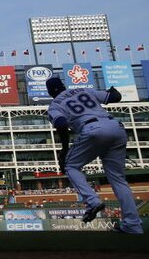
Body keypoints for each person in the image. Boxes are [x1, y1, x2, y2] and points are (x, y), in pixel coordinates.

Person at [45, 77, 143, 234]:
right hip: (115, 127)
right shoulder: (84, 90)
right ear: (64, 85)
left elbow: (62, 124)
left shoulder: (54, 105)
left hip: (91, 129)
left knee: (71, 166)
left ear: (49, 92)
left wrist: (64, 149)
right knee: (118, 179)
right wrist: (112, 89)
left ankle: (92, 201)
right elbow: (115, 97)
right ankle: (133, 225)